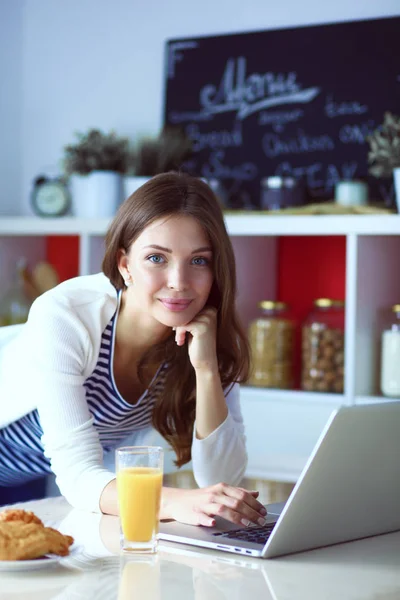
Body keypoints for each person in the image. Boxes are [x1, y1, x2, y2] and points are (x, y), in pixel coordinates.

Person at [0, 172, 267, 528]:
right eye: (157, 258)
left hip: (29, 479)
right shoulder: (66, 315)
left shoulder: (206, 335)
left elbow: (222, 475)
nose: (178, 282)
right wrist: (175, 502)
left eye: (199, 261)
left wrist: (206, 369)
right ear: (125, 265)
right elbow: (79, 474)